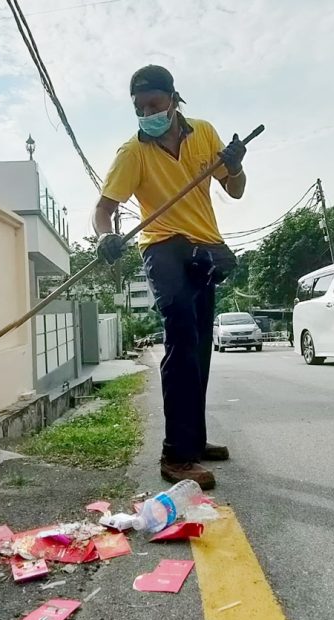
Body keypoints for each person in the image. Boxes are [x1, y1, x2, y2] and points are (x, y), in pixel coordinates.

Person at [93, 65, 247, 490]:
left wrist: (233, 166)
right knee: (180, 336)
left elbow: (235, 190)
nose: (147, 113)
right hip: (162, 247)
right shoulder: (133, 153)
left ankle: (193, 442)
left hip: (206, 249)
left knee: (198, 348)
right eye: (139, 107)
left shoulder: (205, 133)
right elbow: (103, 210)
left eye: (154, 104)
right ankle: (176, 456)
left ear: (174, 99)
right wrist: (106, 237)